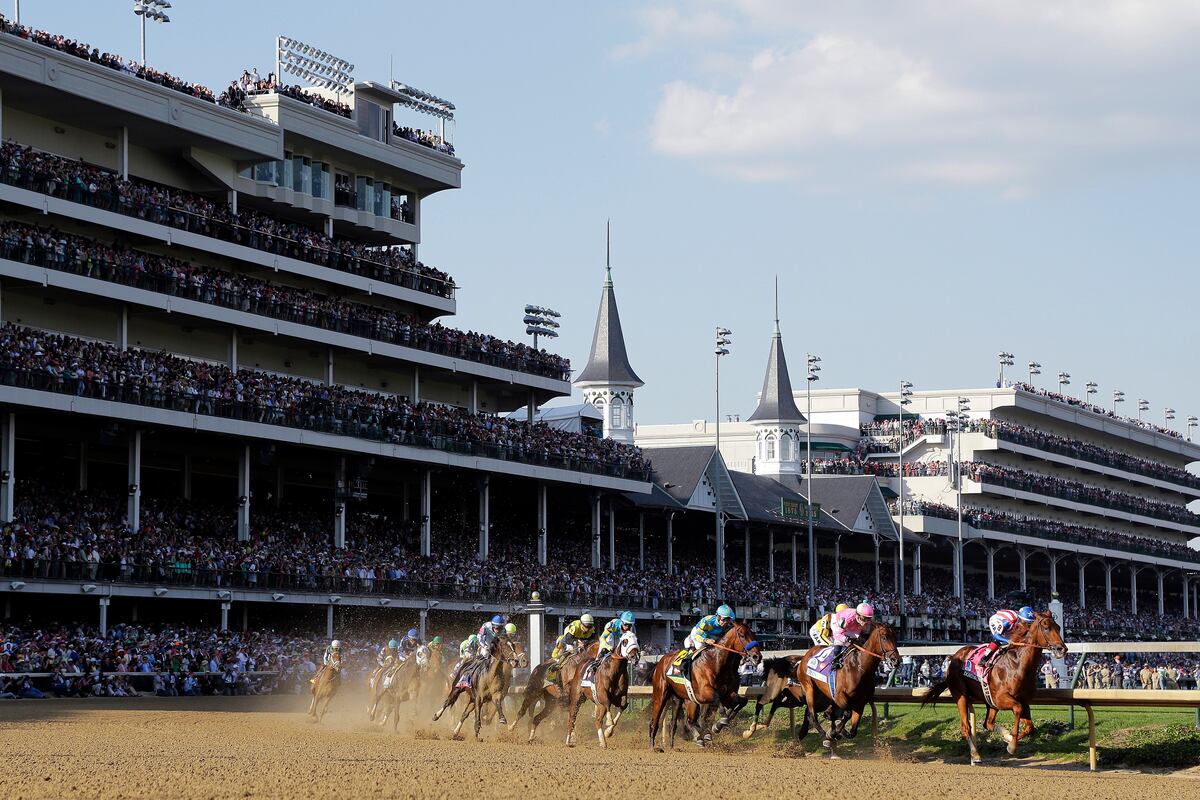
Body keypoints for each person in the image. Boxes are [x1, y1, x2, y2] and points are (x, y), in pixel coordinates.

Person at [678, 604, 735, 675]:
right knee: (699, 646)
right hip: (698, 634)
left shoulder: (727, 625)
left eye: (728, 620)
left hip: (712, 636)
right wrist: (706, 640)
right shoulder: (707, 621)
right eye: (724, 620)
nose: (726, 622)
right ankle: (685, 664)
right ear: (718, 616)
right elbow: (697, 635)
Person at [829, 603, 874, 669]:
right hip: (838, 622)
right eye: (864, 618)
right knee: (839, 641)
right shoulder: (847, 619)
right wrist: (846, 639)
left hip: (854, 623)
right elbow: (837, 634)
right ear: (858, 615)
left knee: (860, 640)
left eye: (868, 619)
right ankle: (834, 661)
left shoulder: (861, 618)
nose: (866, 621)